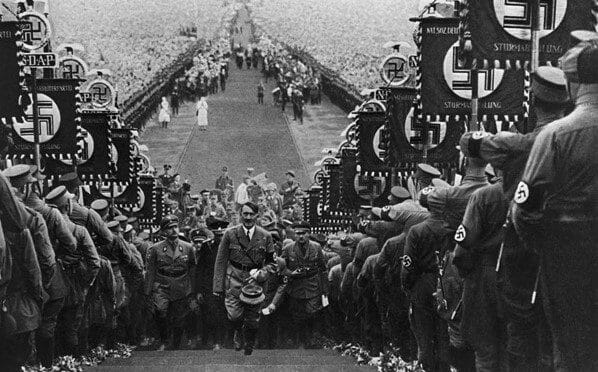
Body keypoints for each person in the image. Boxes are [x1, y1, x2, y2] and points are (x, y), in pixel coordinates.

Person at [513, 40, 598, 371]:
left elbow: (524, 208)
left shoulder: (555, 136)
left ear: (575, 82)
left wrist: (543, 244)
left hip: (567, 253)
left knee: (569, 350)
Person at [212, 202, 275, 355]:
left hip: (255, 282)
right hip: (234, 279)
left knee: (253, 319)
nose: (247, 217)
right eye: (245, 214)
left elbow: (272, 263)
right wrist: (218, 287)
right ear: (240, 215)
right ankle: (238, 332)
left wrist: (262, 274)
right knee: (234, 315)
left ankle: (250, 342)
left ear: (257, 216)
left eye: (251, 214)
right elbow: (220, 261)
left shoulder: (265, 236)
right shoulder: (230, 234)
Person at [145, 215, 198, 351]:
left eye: (175, 227)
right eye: (169, 228)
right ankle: (164, 340)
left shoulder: (188, 247)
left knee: (179, 317)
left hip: (181, 284)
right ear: (163, 232)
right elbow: (151, 270)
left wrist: (193, 289)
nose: (173, 230)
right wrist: (148, 291)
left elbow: (192, 268)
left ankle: (176, 343)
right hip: (162, 284)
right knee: (160, 310)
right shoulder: (156, 249)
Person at [282, 221, 328, 348]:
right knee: (297, 315)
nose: (301, 236)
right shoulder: (288, 248)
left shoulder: (316, 247)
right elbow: (281, 268)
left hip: (312, 285)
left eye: (304, 233)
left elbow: (323, 269)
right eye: (298, 233)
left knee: (312, 312)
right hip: (295, 286)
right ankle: (299, 340)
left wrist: (325, 290)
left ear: (309, 233)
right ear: (294, 235)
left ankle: (311, 339)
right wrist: (291, 273)